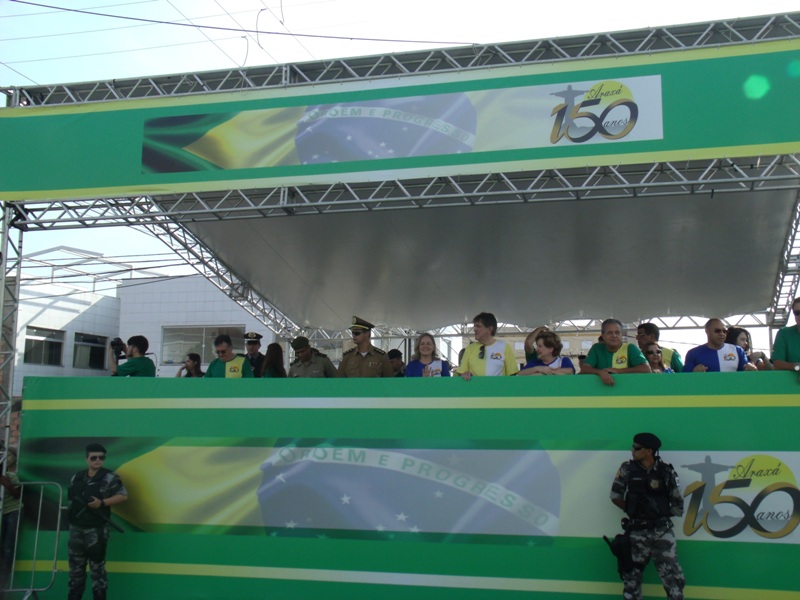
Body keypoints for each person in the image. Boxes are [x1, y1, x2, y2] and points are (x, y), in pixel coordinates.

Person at [610, 433, 685, 600]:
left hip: (662, 532)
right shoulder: (627, 469)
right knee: (631, 579)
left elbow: (677, 504)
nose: (632, 450)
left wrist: (658, 515)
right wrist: (634, 511)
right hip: (636, 532)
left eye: (637, 448)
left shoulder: (666, 472)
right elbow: (615, 496)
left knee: (673, 580)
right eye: (633, 447)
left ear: (649, 451)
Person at [67, 443, 128, 600]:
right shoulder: (77, 477)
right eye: (94, 457)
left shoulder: (110, 477)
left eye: (101, 457)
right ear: (86, 459)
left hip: (96, 529)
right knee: (75, 571)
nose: (98, 460)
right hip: (76, 528)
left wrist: (101, 503)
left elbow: (123, 495)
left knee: (97, 570)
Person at [579, 319, 650, 385]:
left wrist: (618, 371)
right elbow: (584, 369)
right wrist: (600, 372)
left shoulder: (630, 348)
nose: (614, 335)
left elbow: (646, 369)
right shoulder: (596, 348)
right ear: (603, 335)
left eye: (617, 332)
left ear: (621, 335)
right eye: (610, 333)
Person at [455, 312, 518, 380]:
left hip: (498, 387)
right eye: (474, 326)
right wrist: (464, 374)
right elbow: (460, 373)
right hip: (475, 387)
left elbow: (512, 375)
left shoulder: (505, 347)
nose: (474, 329)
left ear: (490, 329)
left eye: (478, 326)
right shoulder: (469, 349)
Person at [683, 319, 756, 373]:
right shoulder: (693, 353)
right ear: (707, 331)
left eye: (724, 331)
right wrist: (693, 372)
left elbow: (747, 372)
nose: (722, 334)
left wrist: (751, 368)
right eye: (717, 331)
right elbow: (683, 379)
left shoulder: (738, 350)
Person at [0, 448, 20, 593]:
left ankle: (3, 583)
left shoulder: (11, 475)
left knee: (7, 548)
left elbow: (17, 494)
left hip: (12, 511)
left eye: (9, 455)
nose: (6, 458)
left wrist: (6, 483)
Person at [771, 296, 800, 376]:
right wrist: (797, 367)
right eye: (797, 313)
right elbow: (776, 364)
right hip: (790, 382)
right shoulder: (784, 333)